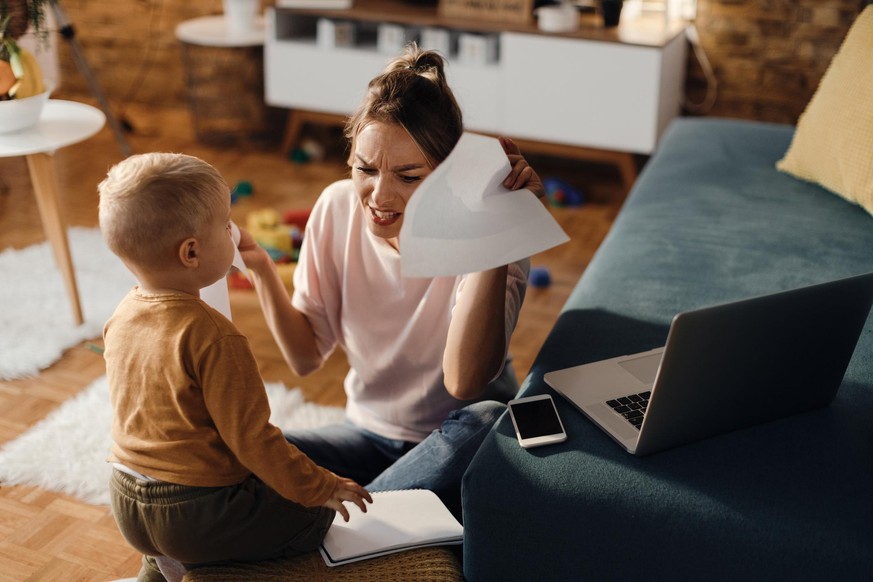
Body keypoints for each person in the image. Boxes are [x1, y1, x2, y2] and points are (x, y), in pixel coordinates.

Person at [238, 44, 546, 520]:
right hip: (366, 434)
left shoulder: (495, 234)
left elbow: (465, 381)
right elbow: (304, 357)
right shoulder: (337, 208)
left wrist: (493, 232)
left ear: (448, 174)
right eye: (365, 169)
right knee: (240, 451)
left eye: (408, 175)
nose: (379, 196)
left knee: (487, 423)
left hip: (455, 443)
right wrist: (260, 267)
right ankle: (369, 524)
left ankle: (340, 528)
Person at [98, 153, 372, 582]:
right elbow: (254, 440)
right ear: (191, 252)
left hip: (127, 502)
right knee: (311, 516)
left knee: (170, 538)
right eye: (226, 224)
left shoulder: (121, 317)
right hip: (194, 514)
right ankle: (211, 565)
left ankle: (160, 568)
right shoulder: (213, 334)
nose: (235, 230)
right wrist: (321, 488)